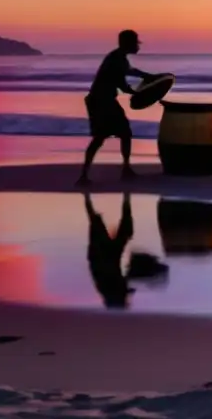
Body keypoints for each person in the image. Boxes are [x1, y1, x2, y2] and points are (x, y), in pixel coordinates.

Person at [77, 29, 154, 186]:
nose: (138, 46)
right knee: (102, 138)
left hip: (105, 101)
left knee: (123, 133)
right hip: (100, 102)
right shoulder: (116, 58)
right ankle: (84, 176)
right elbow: (122, 84)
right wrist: (139, 91)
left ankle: (124, 169)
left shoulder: (119, 57)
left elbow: (130, 71)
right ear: (128, 43)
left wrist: (147, 76)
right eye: (135, 43)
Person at [84, 192, 135, 308]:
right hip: (109, 257)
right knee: (125, 231)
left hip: (102, 256)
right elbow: (125, 279)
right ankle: (126, 198)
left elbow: (97, 267)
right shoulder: (109, 291)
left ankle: (87, 196)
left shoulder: (109, 290)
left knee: (96, 223)